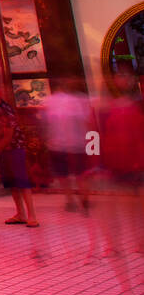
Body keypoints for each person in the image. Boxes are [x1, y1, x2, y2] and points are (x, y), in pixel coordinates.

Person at [0, 84, 39, 227]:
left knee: (22, 181)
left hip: (14, 148)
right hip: (1, 150)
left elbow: (9, 134)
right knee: (12, 183)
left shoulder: (5, 109)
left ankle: (32, 215)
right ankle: (20, 213)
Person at [43, 81, 93, 212]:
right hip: (79, 143)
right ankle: (85, 198)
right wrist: (93, 146)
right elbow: (89, 122)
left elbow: (46, 123)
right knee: (81, 173)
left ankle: (70, 200)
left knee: (63, 174)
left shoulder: (51, 101)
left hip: (57, 144)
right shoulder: (82, 100)